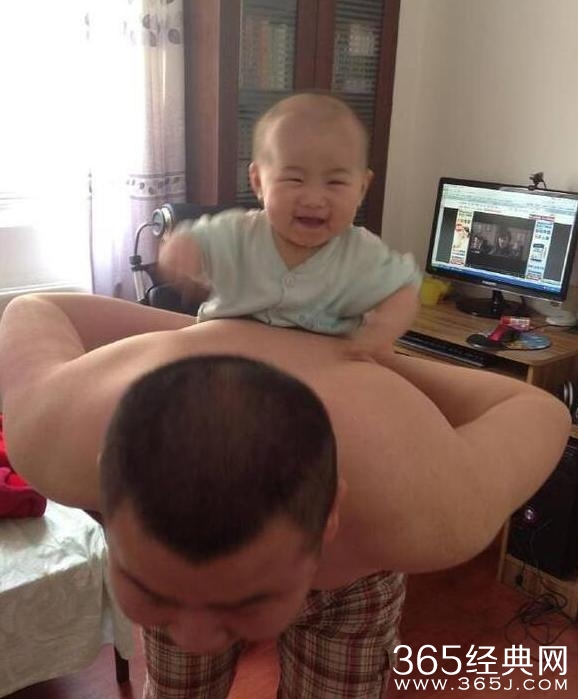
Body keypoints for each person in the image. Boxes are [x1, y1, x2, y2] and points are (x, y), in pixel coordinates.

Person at [0, 293, 570, 698]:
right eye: (154, 591)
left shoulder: (429, 507)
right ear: (107, 479)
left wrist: (371, 362)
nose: (194, 636)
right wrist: (213, 331)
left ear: (328, 517)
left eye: (245, 600)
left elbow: (539, 403)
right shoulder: (56, 433)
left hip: (351, 587)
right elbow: (33, 306)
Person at [158, 92, 421, 359]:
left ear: (362, 188)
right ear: (258, 182)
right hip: (228, 360)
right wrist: (180, 251)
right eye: (294, 179)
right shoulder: (237, 232)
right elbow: (190, 239)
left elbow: (404, 291)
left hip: (317, 369)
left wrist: (381, 330)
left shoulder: (362, 253)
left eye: (335, 182)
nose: (314, 199)